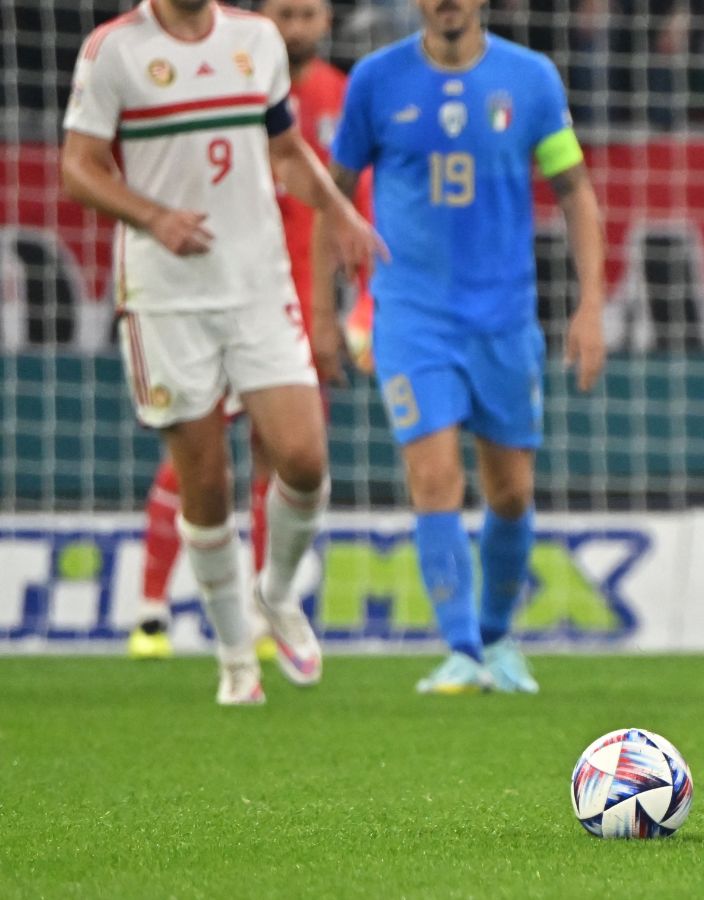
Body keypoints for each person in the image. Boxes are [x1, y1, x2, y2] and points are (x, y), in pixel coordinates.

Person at [61, 0, 382, 703]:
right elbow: (78, 168)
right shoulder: (113, 50)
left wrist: (339, 211)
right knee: (205, 483)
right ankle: (236, 657)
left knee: (303, 457)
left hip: (258, 287)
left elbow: (287, 150)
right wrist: (154, 218)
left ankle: (277, 593)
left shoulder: (255, 38)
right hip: (166, 299)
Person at [327, 0, 607, 694]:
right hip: (411, 318)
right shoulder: (374, 80)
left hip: (504, 321)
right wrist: (322, 311)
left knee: (510, 492)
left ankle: (495, 637)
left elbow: (573, 190)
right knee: (434, 477)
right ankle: (459, 651)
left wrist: (592, 303)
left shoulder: (532, 79)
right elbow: (330, 196)